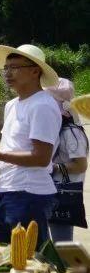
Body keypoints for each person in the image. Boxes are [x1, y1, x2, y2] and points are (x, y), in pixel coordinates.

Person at [0, 44, 61, 249]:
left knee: (29, 265)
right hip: (7, 189)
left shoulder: (42, 105)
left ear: (35, 71)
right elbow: (13, 147)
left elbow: (41, 157)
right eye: (6, 68)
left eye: (15, 67)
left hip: (30, 193)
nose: (8, 73)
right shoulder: (12, 105)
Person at [46, 78, 88, 241]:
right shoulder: (57, 129)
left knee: (61, 246)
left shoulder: (71, 132)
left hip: (62, 193)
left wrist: (50, 167)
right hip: (50, 190)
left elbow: (80, 165)